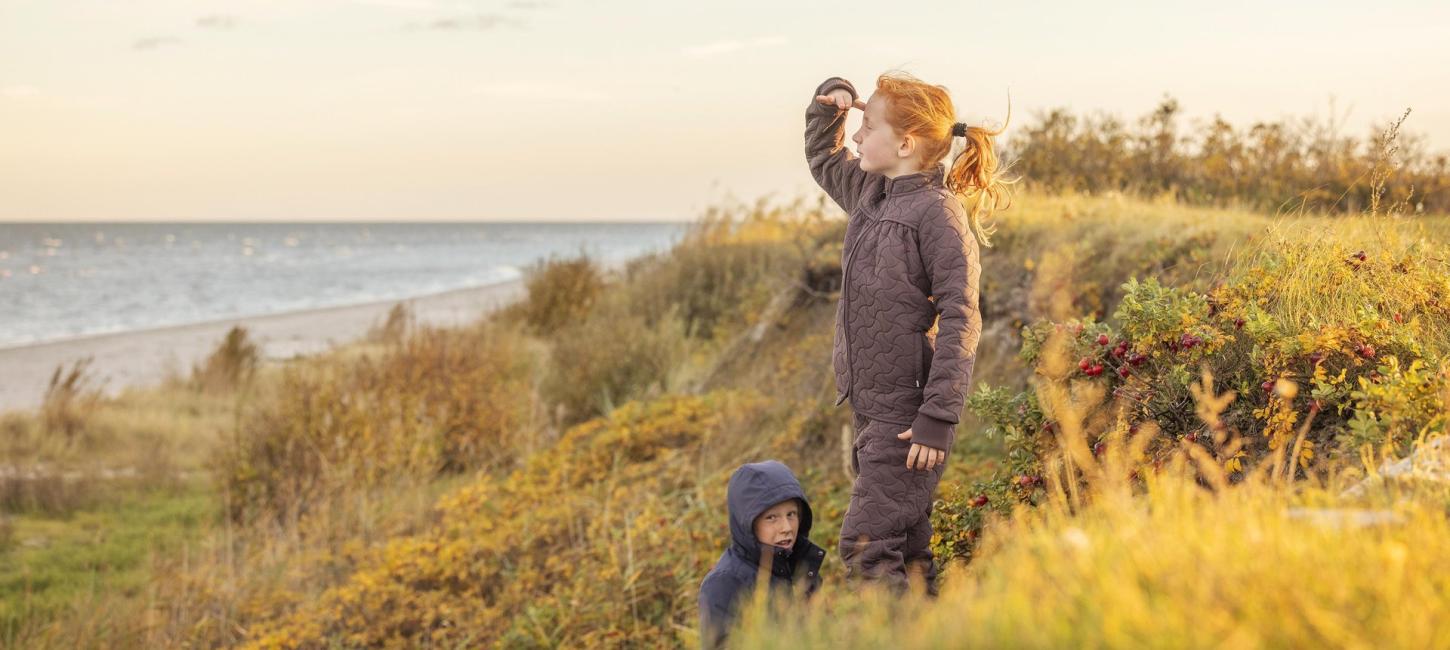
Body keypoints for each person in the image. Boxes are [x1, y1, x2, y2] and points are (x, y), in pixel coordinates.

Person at [805, 71, 1012, 594]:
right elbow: (825, 159)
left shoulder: (938, 215)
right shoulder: (872, 194)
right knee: (910, 555)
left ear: (905, 142)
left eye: (866, 126)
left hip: (908, 419)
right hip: (873, 411)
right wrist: (831, 104)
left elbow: (963, 317)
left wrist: (938, 417)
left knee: (867, 548)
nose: (855, 137)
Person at [697, 460, 826, 649]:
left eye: (791, 514)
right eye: (771, 518)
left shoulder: (802, 568)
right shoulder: (724, 583)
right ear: (747, 522)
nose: (786, 528)